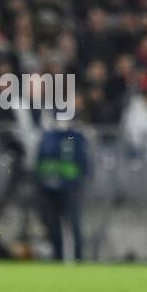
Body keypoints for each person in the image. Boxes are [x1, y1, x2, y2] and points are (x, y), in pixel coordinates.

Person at [35, 102, 91, 261]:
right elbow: (40, 161)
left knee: (74, 224)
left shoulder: (77, 137)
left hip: (70, 187)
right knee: (53, 226)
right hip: (49, 187)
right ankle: (58, 258)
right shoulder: (48, 136)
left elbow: (83, 162)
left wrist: (78, 182)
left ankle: (78, 258)